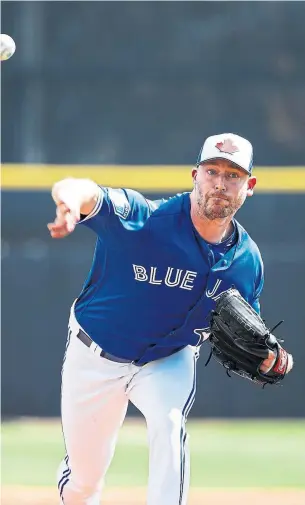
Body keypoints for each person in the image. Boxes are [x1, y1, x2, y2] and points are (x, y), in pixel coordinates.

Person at [48, 133, 284, 505]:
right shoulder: (144, 218)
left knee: (169, 423)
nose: (220, 183)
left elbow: (248, 328)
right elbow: (79, 187)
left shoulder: (247, 261)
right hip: (95, 355)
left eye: (233, 175)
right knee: (84, 483)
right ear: (195, 175)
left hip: (167, 359)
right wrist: (69, 203)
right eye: (212, 171)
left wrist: (268, 357)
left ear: (249, 186)